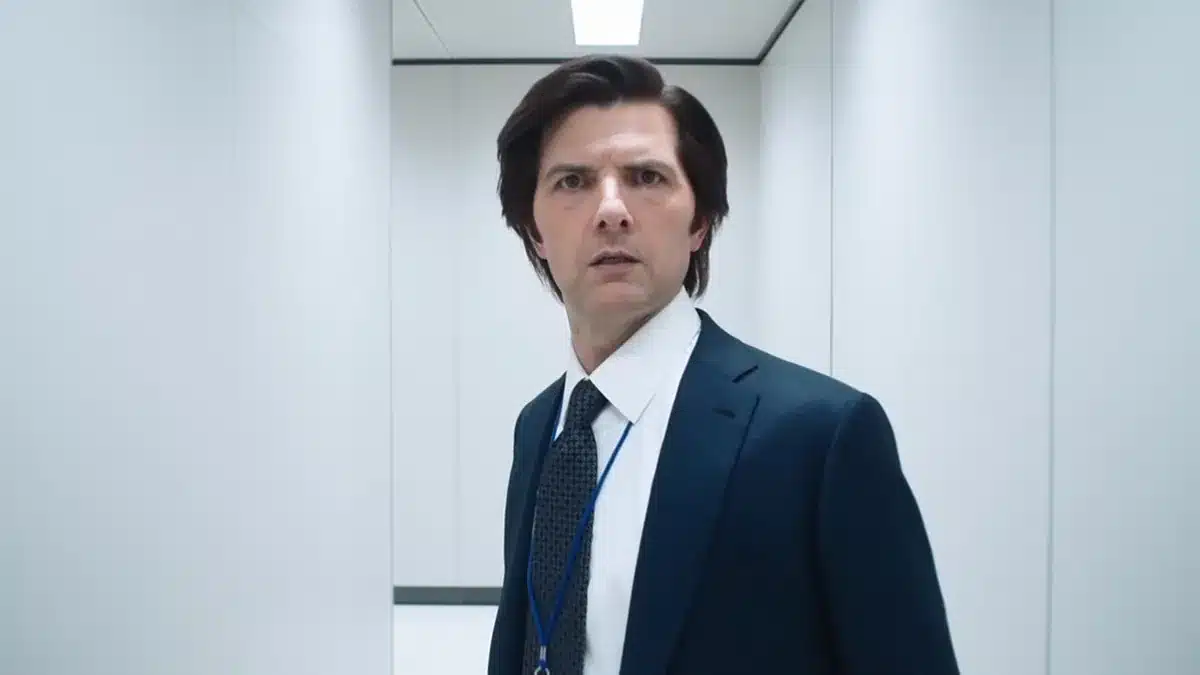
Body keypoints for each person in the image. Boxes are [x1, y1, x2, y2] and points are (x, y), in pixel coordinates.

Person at [486, 54, 959, 675]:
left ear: (700, 222)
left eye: (647, 177)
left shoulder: (820, 437)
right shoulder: (539, 425)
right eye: (573, 182)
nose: (611, 209)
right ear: (534, 230)